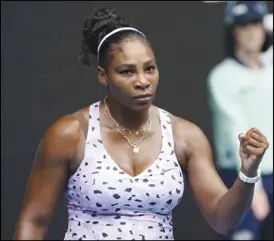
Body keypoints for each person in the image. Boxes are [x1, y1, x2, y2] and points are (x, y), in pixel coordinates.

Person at [13, 7, 270, 240]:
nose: (142, 81)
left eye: (150, 69)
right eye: (127, 71)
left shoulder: (185, 136)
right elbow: (33, 222)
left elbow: (223, 220)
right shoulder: (70, 133)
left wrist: (248, 173)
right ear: (103, 76)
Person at [207, 1, 273, 240]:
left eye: (256, 23)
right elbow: (234, 128)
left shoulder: (270, 69)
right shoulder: (222, 76)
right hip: (243, 174)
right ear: (233, 30)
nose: (251, 31)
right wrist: (252, 188)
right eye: (243, 25)